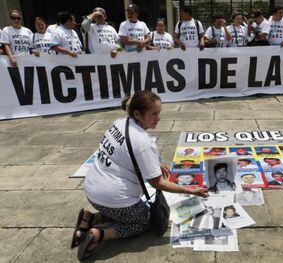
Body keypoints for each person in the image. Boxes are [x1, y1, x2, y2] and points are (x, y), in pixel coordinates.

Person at [72, 91, 208, 260]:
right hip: (113, 198)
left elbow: (127, 153)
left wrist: (154, 163)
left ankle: (90, 217)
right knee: (144, 221)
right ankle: (99, 234)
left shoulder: (120, 122)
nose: (158, 118)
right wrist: (192, 190)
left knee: (128, 211)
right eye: (154, 114)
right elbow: (158, 183)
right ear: (137, 113)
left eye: (159, 113)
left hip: (92, 191)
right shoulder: (143, 142)